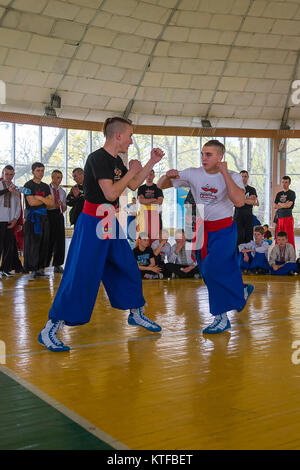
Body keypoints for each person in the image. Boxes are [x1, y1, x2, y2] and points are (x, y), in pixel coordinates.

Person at [38, 117, 165, 352]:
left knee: (127, 265)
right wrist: (132, 172)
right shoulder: (97, 158)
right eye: (129, 135)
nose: (131, 140)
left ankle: (136, 312)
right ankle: (51, 328)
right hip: (92, 221)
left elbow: (134, 183)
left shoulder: (116, 160)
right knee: (80, 274)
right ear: (118, 135)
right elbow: (110, 193)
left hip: (109, 221)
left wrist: (151, 162)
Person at [157, 139, 254, 334]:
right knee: (204, 269)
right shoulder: (193, 173)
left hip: (225, 229)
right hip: (203, 229)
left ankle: (221, 317)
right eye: (202, 153)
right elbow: (161, 185)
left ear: (220, 157)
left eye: (208, 154)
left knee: (213, 267)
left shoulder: (233, 176)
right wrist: (168, 176)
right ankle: (240, 290)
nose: (203, 158)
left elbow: (239, 201)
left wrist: (224, 172)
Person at [23, 162, 54, 279]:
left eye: (42, 170)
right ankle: (33, 268)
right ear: (33, 172)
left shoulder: (46, 186)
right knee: (33, 244)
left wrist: (39, 197)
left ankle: (40, 268)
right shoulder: (28, 185)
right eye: (38, 170)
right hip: (33, 219)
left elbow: (51, 204)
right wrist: (45, 199)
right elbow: (31, 202)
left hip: (44, 218)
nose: (40, 173)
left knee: (44, 243)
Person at [0, 165, 21, 277]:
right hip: (0, 219)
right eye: (7, 174)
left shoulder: (15, 188)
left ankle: (5, 269)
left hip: (10, 220)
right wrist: (7, 190)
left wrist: (15, 219)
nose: (9, 176)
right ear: (3, 173)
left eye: (11, 174)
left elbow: (18, 205)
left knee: (8, 246)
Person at [47, 170, 67, 273]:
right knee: (48, 239)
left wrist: (62, 206)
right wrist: (54, 205)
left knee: (60, 241)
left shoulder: (63, 192)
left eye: (61, 177)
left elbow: (64, 208)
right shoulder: (47, 189)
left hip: (59, 216)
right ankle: (44, 264)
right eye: (58, 177)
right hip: (49, 215)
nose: (59, 180)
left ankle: (58, 264)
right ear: (52, 177)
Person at [137, 169, 164, 243]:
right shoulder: (141, 188)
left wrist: (146, 201)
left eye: (151, 174)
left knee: (155, 235)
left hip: (155, 214)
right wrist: (154, 199)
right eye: (148, 174)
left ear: (154, 176)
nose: (149, 176)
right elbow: (141, 201)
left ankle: (154, 252)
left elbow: (160, 201)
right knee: (143, 235)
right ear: (145, 175)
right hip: (144, 215)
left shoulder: (158, 188)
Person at [234, 170, 259, 246]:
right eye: (242, 176)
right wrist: (247, 200)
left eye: (245, 176)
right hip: (238, 215)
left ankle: (249, 254)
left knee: (249, 236)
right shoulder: (235, 189)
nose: (243, 178)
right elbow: (235, 202)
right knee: (239, 236)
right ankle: (239, 255)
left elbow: (253, 202)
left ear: (248, 177)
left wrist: (241, 200)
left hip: (248, 215)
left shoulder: (252, 189)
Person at [274, 176, 296, 249]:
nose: (284, 184)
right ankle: (278, 254)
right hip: (279, 218)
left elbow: (289, 205)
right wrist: (284, 204)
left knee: (289, 236)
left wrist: (280, 204)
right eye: (283, 182)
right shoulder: (279, 194)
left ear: (289, 183)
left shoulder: (292, 193)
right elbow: (275, 206)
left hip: (288, 218)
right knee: (279, 237)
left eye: (286, 182)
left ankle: (290, 254)